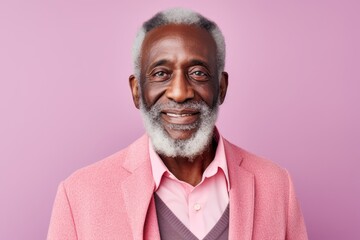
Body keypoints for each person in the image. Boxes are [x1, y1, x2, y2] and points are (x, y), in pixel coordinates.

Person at [48, 8, 308, 240]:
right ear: (137, 91)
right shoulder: (79, 196)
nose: (180, 92)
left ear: (221, 87)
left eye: (198, 73)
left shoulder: (276, 186)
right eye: (161, 74)